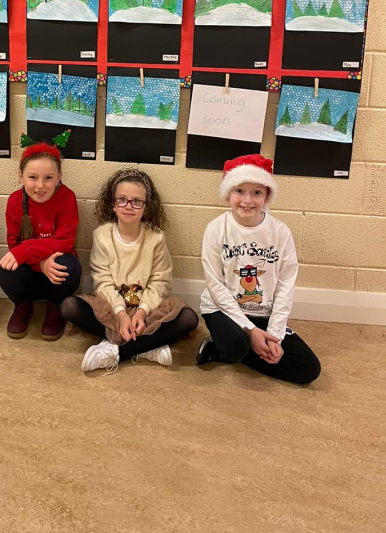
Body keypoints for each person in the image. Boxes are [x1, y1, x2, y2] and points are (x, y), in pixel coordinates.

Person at [196, 154, 321, 385]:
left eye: (257, 192)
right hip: (222, 310)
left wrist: (275, 336)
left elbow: (285, 286)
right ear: (228, 194)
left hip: (263, 312)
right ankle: (228, 348)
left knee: (308, 369)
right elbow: (215, 286)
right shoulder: (215, 229)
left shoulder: (280, 232)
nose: (247, 200)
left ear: (266, 196)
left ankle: (233, 350)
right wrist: (250, 331)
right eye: (239, 191)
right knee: (235, 345)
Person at [61, 168, 198, 373]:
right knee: (69, 306)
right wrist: (122, 315)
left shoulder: (155, 237)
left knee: (189, 318)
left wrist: (141, 312)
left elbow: (160, 281)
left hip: (147, 308)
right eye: (122, 200)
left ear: (146, 206)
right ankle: (148, 346)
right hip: (111, 306)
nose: (128, 206)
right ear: (113, 204)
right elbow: (103, 282)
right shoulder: (102, 235)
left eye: (137, 201)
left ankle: (117, 351)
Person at [0, 142, 81, 341]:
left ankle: (55, 307)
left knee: (69, 266)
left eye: (48, 178)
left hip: (56, 271)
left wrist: (28, 249)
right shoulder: (15, 201)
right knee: (6, 269)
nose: (40, 185)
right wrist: (40, 263)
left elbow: (65, 241)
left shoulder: (67, 197)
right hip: (31, 271)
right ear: (21, 177)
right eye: (33, 177)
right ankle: (23, 306)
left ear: (59, 177)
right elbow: (13, 246)